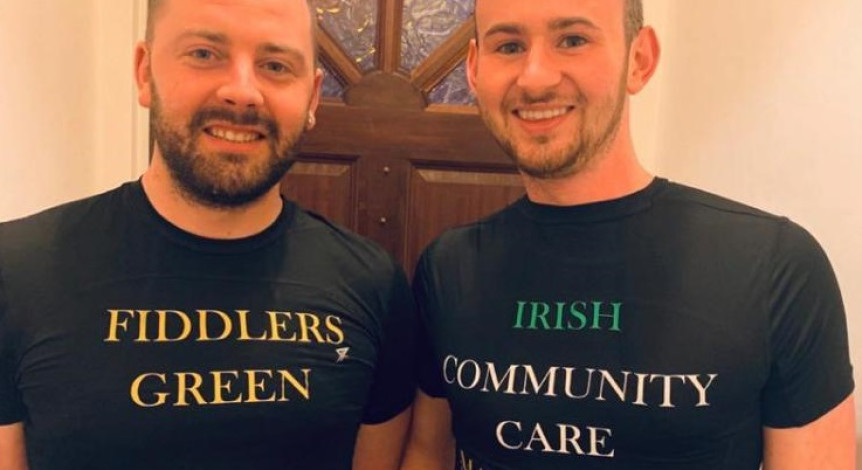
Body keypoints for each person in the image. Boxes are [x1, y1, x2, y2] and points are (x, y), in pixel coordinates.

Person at [402, 0, 856, 469]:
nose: (535, 77)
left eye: (573, 39)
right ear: (476, 70)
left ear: (639, 60)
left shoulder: (774, 267)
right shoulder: (449, 267)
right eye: (510, 45)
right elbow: (427, 453)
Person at [0, 0, 416, 468]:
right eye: (204, 54)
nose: (242, 92)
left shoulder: (373, 285)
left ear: (313, 97)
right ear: (144, 73)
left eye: (275, 65)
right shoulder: (17, 269)